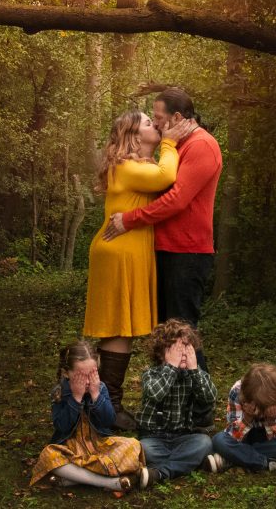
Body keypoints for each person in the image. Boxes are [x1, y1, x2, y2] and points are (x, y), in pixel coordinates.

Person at [103, 88, 223, 430]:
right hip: (166, 248)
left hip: (188, 251)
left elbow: (176, 200)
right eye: (151, 119)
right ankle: (174, 407)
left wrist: (130, 219)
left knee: (184, 332)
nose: (154, 122)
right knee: (168, 333)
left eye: (157, 117)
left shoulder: (201, 146)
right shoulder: (175, 145)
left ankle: (201, 415)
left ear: (177, 119)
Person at [83, 111, 195, 431]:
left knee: (122, 329)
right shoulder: (127, 167)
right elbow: (166, 177)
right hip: (118, 253)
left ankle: (102, 404)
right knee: (119, 328)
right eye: (148, 123)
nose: (154, 126)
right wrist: (171, 142)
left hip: (128, 251)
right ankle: (108, 407)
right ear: (133, 135)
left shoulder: (134, 167)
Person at [29, 341, 147, 491]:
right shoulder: (59, 392)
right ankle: (108, 483)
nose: (87, 381)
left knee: (134, 445)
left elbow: (109, 420)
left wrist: (96, 395)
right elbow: (62, 426)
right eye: (80, 376)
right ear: (66, 373)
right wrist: (76, 398)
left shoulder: (99, 387)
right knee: (49, 455)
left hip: (100, 445)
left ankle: (73, 479)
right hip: (71, 448)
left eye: (92, 374)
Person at [136, 319, 217, 486]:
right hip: (153, 438)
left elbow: (209, 398)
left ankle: (160, 472)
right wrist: (171, 367)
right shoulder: (151, 374)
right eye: (176, 349)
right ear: (160, 353)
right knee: (143, 450)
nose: (183, 354)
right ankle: (187, 463)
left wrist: (194, 370)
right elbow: (155, 394)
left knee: (205, 443)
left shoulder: (194, 373)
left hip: (183, 436)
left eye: (186, 348)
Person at [207, 363, 276, 473]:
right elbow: (233, 434)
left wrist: (271, 419)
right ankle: (273, 463)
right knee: (219, 440)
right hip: (244, 439)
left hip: (268, 441)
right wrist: (247, 417)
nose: (260, 414)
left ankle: (232, 460)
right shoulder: (237, 390)